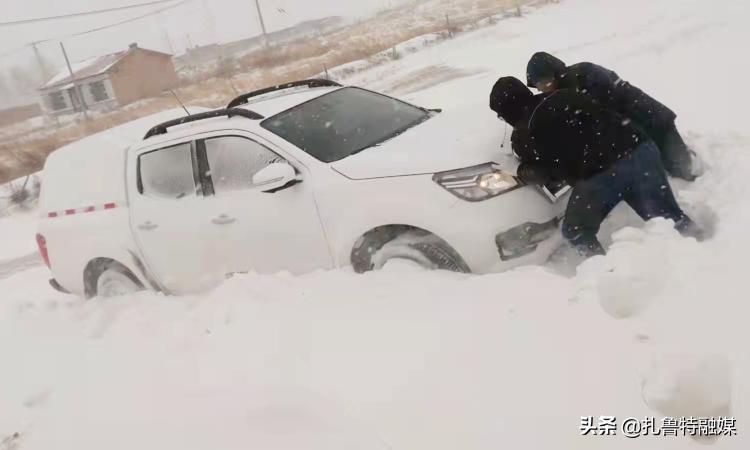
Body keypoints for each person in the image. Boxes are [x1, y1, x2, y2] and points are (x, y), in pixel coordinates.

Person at [489, 76, 701, 257]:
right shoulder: (563, 94)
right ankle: (705, 247)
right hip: (641, 149)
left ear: (507, 111)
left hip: (603, 173)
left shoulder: (526, 132)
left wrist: (518, 170)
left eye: (501, 115)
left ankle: (606, 277)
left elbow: (549, 175)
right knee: (668, 218)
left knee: (575, 230)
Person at [525, 52, 698, 181]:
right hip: (636, 125)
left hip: (647, 118)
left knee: (685, 170)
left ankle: (712, 194)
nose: (541, 89)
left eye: (543, 82)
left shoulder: (582, 76)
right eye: (537, 86)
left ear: (555, 73)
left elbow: (605, 107)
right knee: (665, 165)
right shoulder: (568, 86)